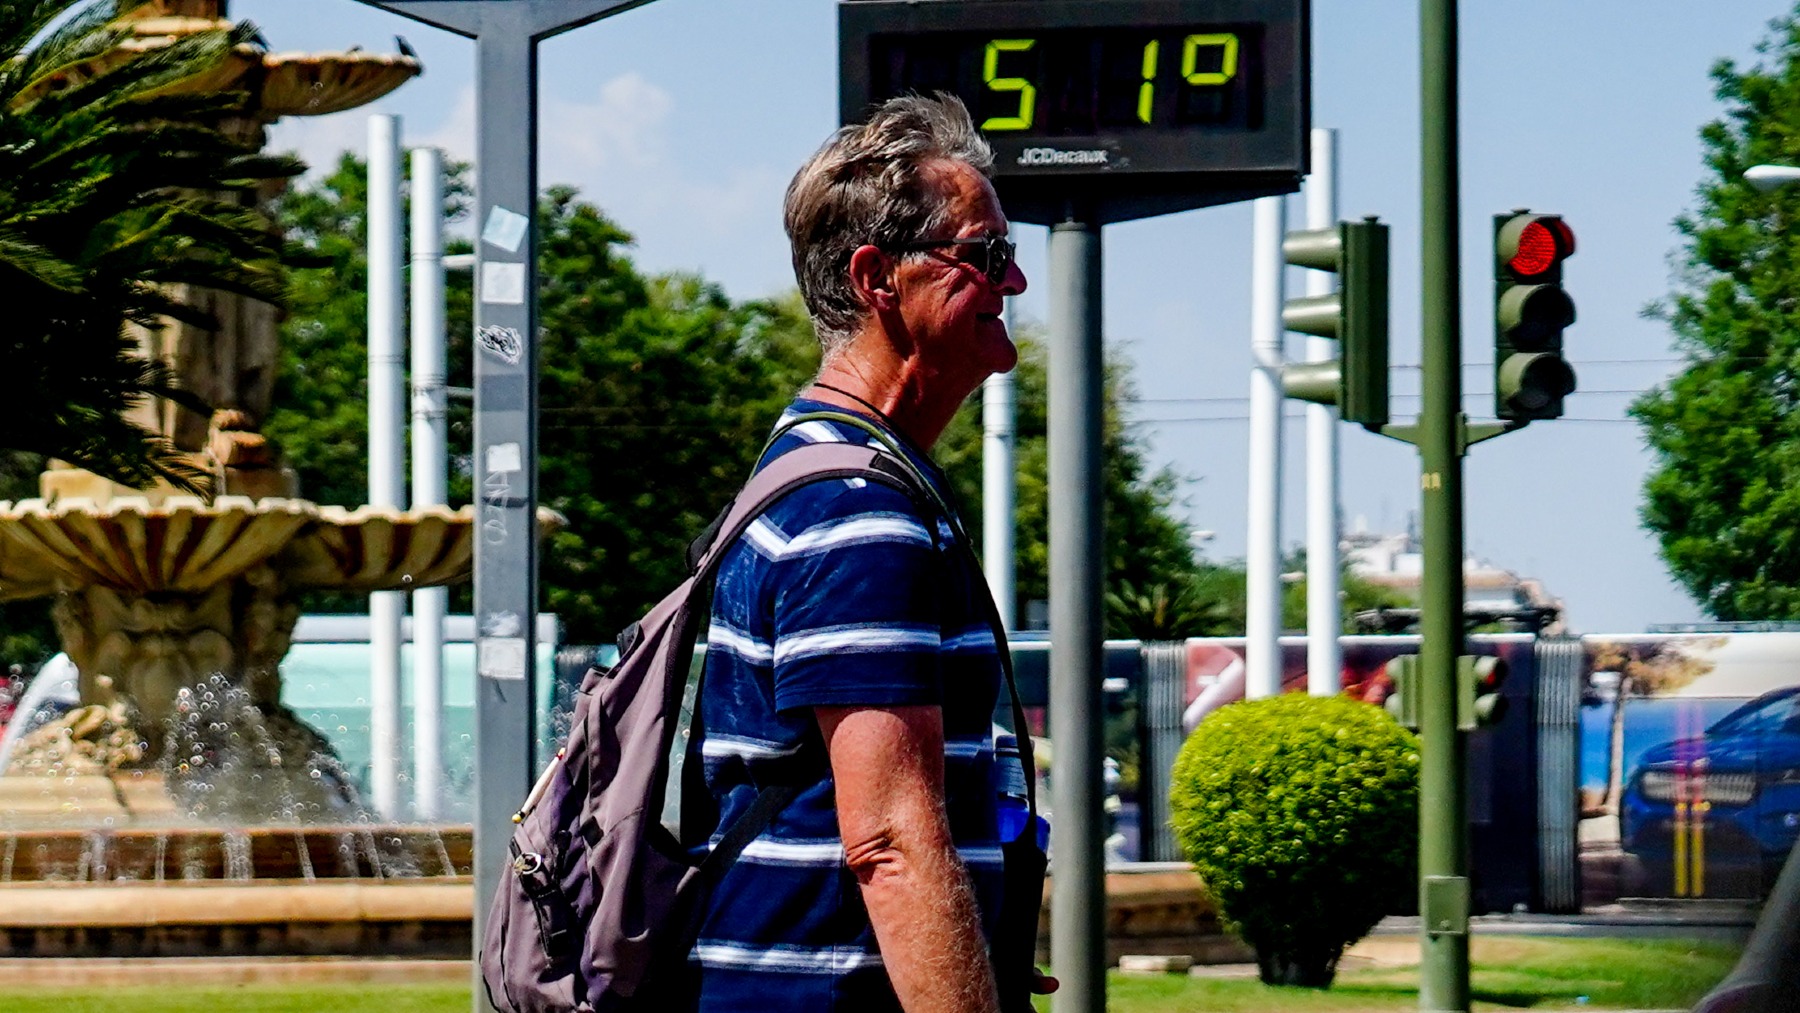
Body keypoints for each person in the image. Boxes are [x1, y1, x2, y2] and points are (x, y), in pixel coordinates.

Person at [686, 94, 1048, 1012]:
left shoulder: (810, 471)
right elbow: (889, 840)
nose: (1015, 286)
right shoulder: (857, 511)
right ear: (879, 277)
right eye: (987, 256)